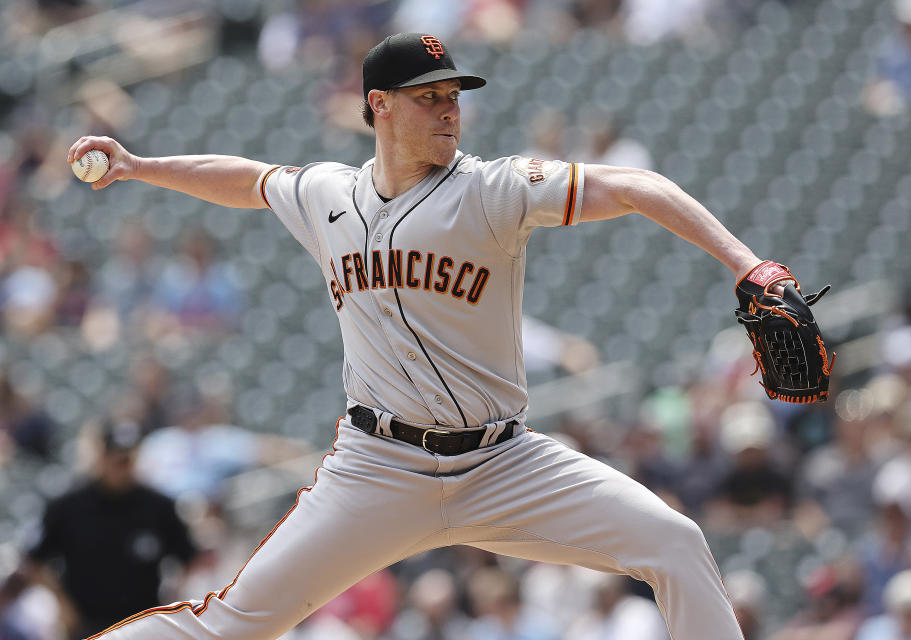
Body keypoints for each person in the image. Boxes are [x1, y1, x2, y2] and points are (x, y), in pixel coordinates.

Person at [67, 32, 771, 639]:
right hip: (379, 468)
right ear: (378, 104)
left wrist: (747, 265)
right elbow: (248, 180)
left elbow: (635, 186)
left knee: (675, 543)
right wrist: (137, 166)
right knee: (235, 621)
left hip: (505, 464)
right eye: (428, 97)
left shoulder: (495, 189)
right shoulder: (328, 195)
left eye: (454, 96)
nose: (449, 110)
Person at [7, 420, 197, 639]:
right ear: (102, 457)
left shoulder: (159, 507)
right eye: (117, 459)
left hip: (143, 623)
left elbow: (188, 557)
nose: (123, 467)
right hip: (86, 623)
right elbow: (34, 561)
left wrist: (172, 599)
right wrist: (63, 604)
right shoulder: (68, 505)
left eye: (129, 459)